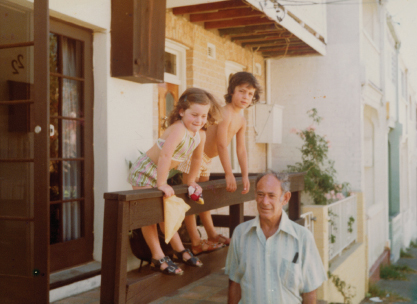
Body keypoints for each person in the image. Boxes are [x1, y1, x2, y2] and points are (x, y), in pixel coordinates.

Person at [127, 87, 221, 275]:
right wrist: (162, 183)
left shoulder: (200, 134)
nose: (199, 120)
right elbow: (165, 155)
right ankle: (157, 255)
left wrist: (192, 181)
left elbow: (196, 159)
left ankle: (179, 250)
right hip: (146, 171)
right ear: (181, 112)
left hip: (160, 174)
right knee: (150, 217)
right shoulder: (178, 129)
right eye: (194, 115)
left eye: (204, 116)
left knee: (166, 212)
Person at [179, 72, 262, 255]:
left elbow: (241, 149)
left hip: (205, 160)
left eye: (250, 94)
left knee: (202, 199)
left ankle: (212, 235)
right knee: (190, 200)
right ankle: (195, 242)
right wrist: (228, 173)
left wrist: (245, 174)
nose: (246, 97)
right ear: (232, 91)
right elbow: (221, 144)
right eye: (242, 92)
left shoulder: (241, 120)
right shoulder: (224, 112)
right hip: (193, 156)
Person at [225, 171, 327, 304]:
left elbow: (310, 293)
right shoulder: (240, 234)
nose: (265, 201)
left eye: (271, 196)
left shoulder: (302, 238)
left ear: (285, 198)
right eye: (260, 194)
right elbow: (235, 284)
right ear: (255, 195)